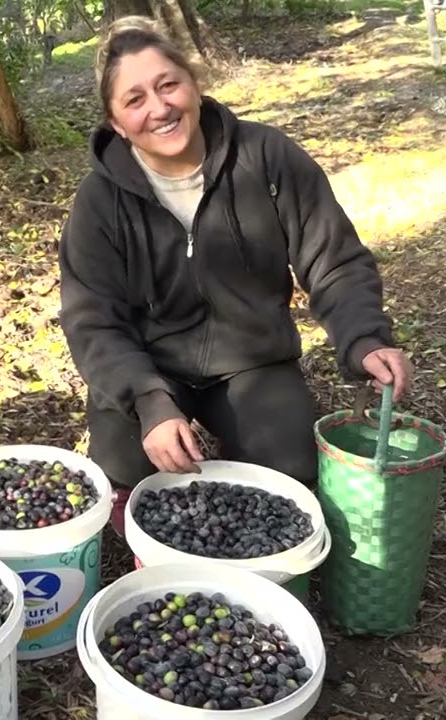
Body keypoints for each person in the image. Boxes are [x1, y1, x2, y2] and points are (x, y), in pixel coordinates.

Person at [57, 17, 414, 537]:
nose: (159, 108)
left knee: (292, 470)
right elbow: (92, 320)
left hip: (253, 362)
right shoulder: (99, 202)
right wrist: (149, 401)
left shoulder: (266, 157)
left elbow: (334, 258)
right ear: (116, 122)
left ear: (194, 83)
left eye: (168, 85)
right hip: (152, 367)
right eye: (135, 100)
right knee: (124, 464)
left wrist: (364, 338)